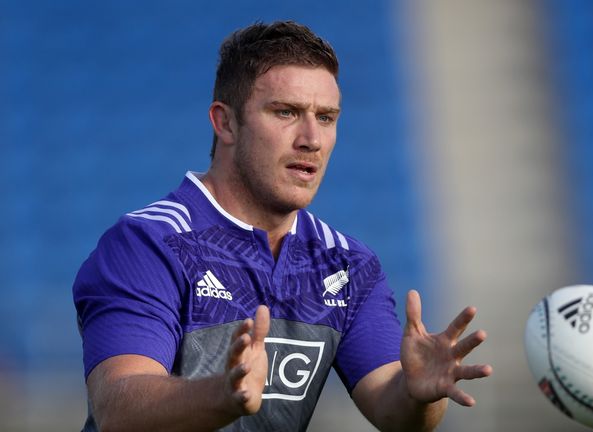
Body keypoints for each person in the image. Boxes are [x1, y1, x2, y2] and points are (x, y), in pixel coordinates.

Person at [73, 20, 492, 432]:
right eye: (286, 112)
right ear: (226, 123)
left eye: (326, 117)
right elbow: (119, 408)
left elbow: (392, 409)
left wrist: (418, 393)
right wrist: (222, 396)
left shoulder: (346, 265)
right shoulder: (150, 244)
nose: (311, 138)